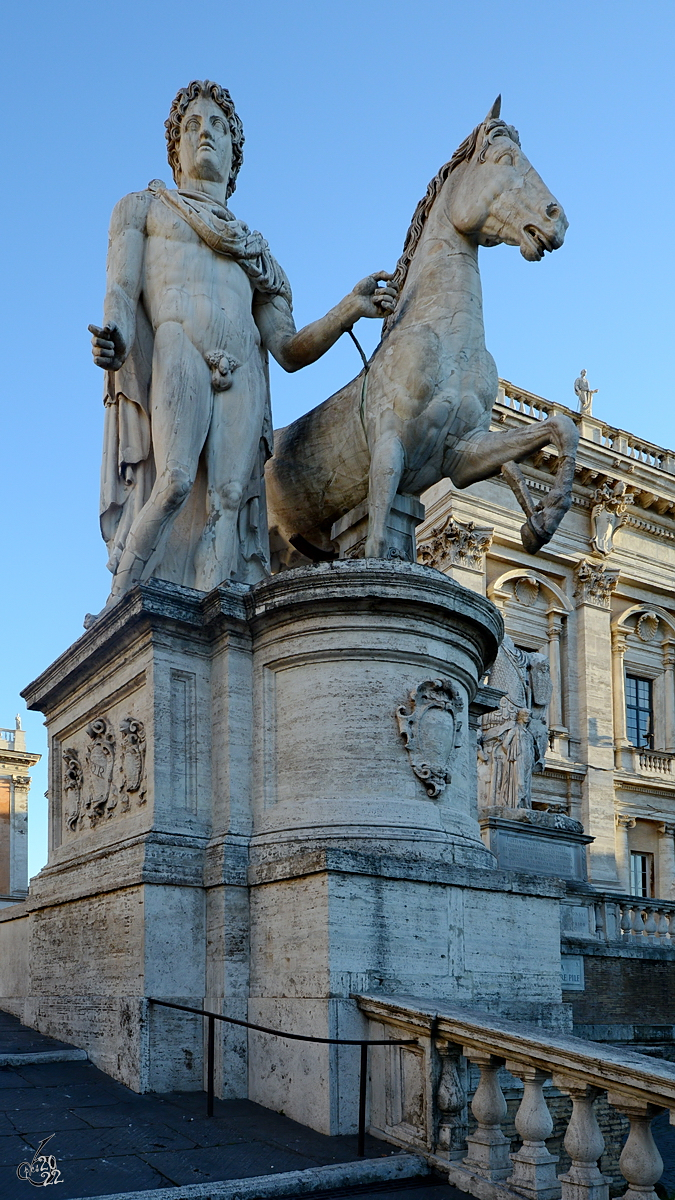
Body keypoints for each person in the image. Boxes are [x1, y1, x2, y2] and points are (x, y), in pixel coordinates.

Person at [89, 80, 396, 610]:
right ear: (176, 148)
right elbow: (119, 291)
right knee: (176, 481)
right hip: (178, 345)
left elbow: (289, 349)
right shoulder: (142, 208)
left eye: (218, 127)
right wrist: (114, 340)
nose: (204, 133)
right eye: (192, 126)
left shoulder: (258, 254)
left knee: (229, 502)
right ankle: (119, 606)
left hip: (242, 371)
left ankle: (223, 636)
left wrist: (349, 308)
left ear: (234, 157)